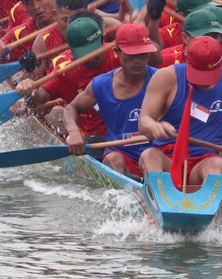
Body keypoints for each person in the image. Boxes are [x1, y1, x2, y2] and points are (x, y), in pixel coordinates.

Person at [138, 36, 222, 186]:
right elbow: (144, 120)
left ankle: (205, 197)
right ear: (186, 57)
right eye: (198, 74)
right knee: (148, 156)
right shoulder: (166, 77)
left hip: (204, 161)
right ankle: (158, 195)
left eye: (209, 75)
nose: (204, 82)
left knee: (219, 165)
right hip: (168, 159)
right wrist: (154, 126)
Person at [64, 23, 160, 177]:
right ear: (117, 52)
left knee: (150, 157)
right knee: (113, 159)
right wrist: (74, 132)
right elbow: (71, 108)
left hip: (157, 153)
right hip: (121, 154)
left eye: (143, 54)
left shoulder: (163, 79)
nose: (138, 61)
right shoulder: (101, 85)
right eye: (131, 55)